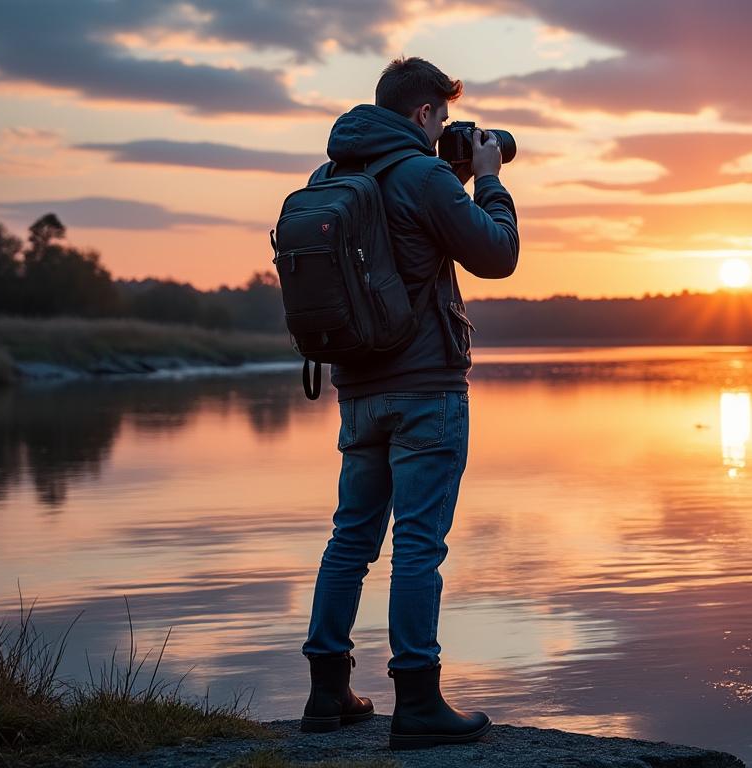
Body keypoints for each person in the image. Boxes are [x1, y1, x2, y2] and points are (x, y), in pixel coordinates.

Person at [298, 56, 518, 750]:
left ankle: (326, 694)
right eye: (444, 120)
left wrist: (444, 179)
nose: (448, 131)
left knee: (351, 539)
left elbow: (395, 245)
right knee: (419, 544)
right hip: (426, 390)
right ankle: (418, 701)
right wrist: (488, 182)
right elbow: (497, 254)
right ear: (424, 115)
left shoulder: (332, 177)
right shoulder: (423, 176)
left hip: (358, 391)